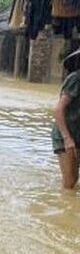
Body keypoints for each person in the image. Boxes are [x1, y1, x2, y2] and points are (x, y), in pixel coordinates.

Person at [52, 47, 80, 189]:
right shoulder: (75, 78)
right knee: (70, 182)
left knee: (75, 178)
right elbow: (58, 109)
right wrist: (67, 139)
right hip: (66, 133)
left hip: (77, 132)